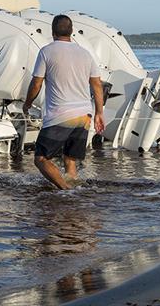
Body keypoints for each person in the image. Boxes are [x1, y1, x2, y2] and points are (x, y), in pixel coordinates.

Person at [23, 14, 105, 189]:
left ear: (52, 32)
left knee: (41, 159)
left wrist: (28, 103)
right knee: (70, 159)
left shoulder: (47, 51)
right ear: (72, 31)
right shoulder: (85, 53)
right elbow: (97, 84)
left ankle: (66, 191)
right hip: (84, 116)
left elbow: (36, 83)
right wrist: (99, 113)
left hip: (60, 115)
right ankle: (73, 196)